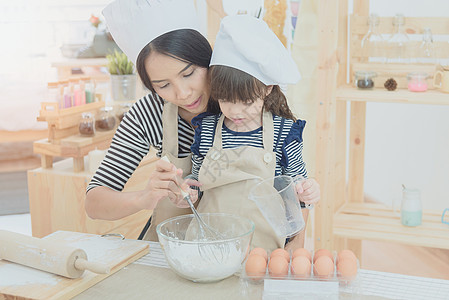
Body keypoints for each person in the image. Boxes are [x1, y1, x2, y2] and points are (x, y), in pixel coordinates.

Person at [85, 0, 219, 241]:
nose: (183, 93)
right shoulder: (148, 113)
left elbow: (292, 179)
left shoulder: (243, 97)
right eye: (163, 85)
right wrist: (144, 197)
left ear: (206, 58)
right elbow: (94, 202)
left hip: (244, 244)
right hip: (175, 249)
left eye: (188, 73)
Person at [189, 15, 320, 250]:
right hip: (208, 245)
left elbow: (297, 186)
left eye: (247, 101)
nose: (236, 111)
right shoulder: (207, 129)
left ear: (268, 88)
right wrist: (187, 188)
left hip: (263, 249)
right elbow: (197, 181)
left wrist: (307, 191)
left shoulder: (284, 132)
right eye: (226, 100)